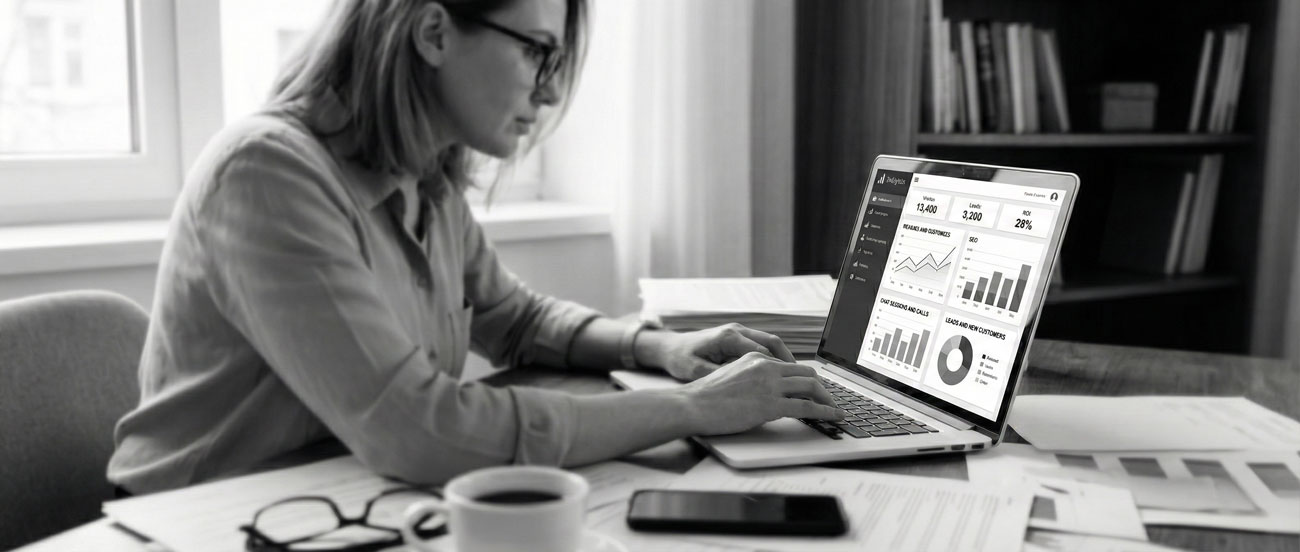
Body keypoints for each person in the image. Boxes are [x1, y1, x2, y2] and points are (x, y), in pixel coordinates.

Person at [108, 0, 845, 495]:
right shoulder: (269, 175)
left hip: (341, 497)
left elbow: (514, 319)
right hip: (204, 522)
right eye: (537, 54)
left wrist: (658, 351)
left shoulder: (422, 174)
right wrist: (691, 409)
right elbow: (417, 430)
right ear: (433, 33)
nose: (550, 95)